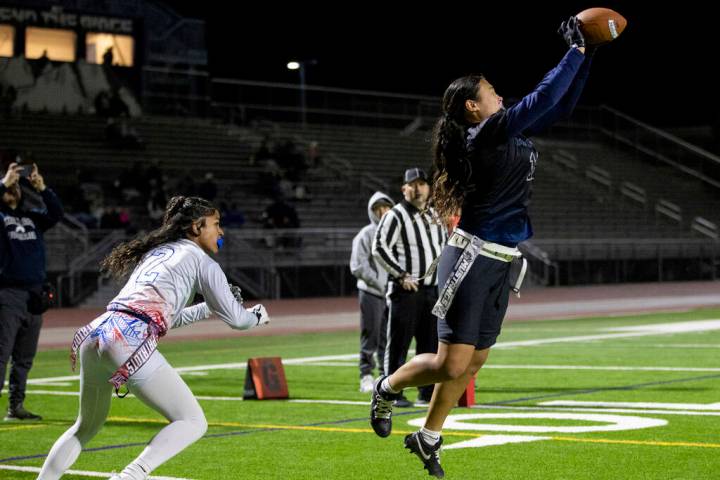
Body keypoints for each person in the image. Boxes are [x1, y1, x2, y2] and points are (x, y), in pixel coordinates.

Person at [369, 17, 596, 477]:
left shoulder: (504, 131)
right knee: (450, 362)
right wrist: (571, 52)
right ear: (473, 107)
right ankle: (386, 386)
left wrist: (588, 53)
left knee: (475, 361)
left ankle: (428, 435)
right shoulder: (484, 133)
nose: (501, 96)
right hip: (472, 255)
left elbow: (561, 105)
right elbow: (545, 96)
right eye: (492, 91)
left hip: (502, 259)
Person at [37, 196, 271, 480]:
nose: (221, 232)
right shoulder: (203, 262)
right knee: (193, 421)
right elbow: (237, 319)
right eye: (216, 224)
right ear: (197, 227)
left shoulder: (158, 253)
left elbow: (163, 319)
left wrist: (208, 307)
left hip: (97, 332)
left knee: (84, 427)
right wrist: (257, 315)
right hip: (126, 340)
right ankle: (127, 478)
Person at [372, 168, 447, 407]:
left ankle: (426, 391)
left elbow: (443, 247)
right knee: (399, 344)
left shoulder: (434, 215)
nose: (417, 188)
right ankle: (392, 393)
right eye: (411, 184)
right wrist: (401, 274)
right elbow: (379, 247)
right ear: (404, 189)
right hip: (406, 291)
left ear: (429, 187)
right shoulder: (395, 215)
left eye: (421, 184)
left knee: (430, 344)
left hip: (432, 290)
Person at [1, 161, 63, 421]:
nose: (14, 188)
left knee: (24, 357)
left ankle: (16, 406)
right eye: (10, 185)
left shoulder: (32, 217)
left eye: (16, 185)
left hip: (34, 295)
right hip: (7, 294)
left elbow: (56, 214)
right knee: (1, 354)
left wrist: (42, 187)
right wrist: (3, 182)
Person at [350, 191, 395, 392]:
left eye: (386, 207)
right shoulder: (365, 234)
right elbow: (358, 266)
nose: (383, 212)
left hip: (390, 292)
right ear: (373, 211)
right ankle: (365, 375)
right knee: (371, 334)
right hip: (371, 293)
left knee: (387, 336)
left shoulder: (394, 232)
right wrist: (379, 283)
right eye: (379, 208)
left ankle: (385, 375)